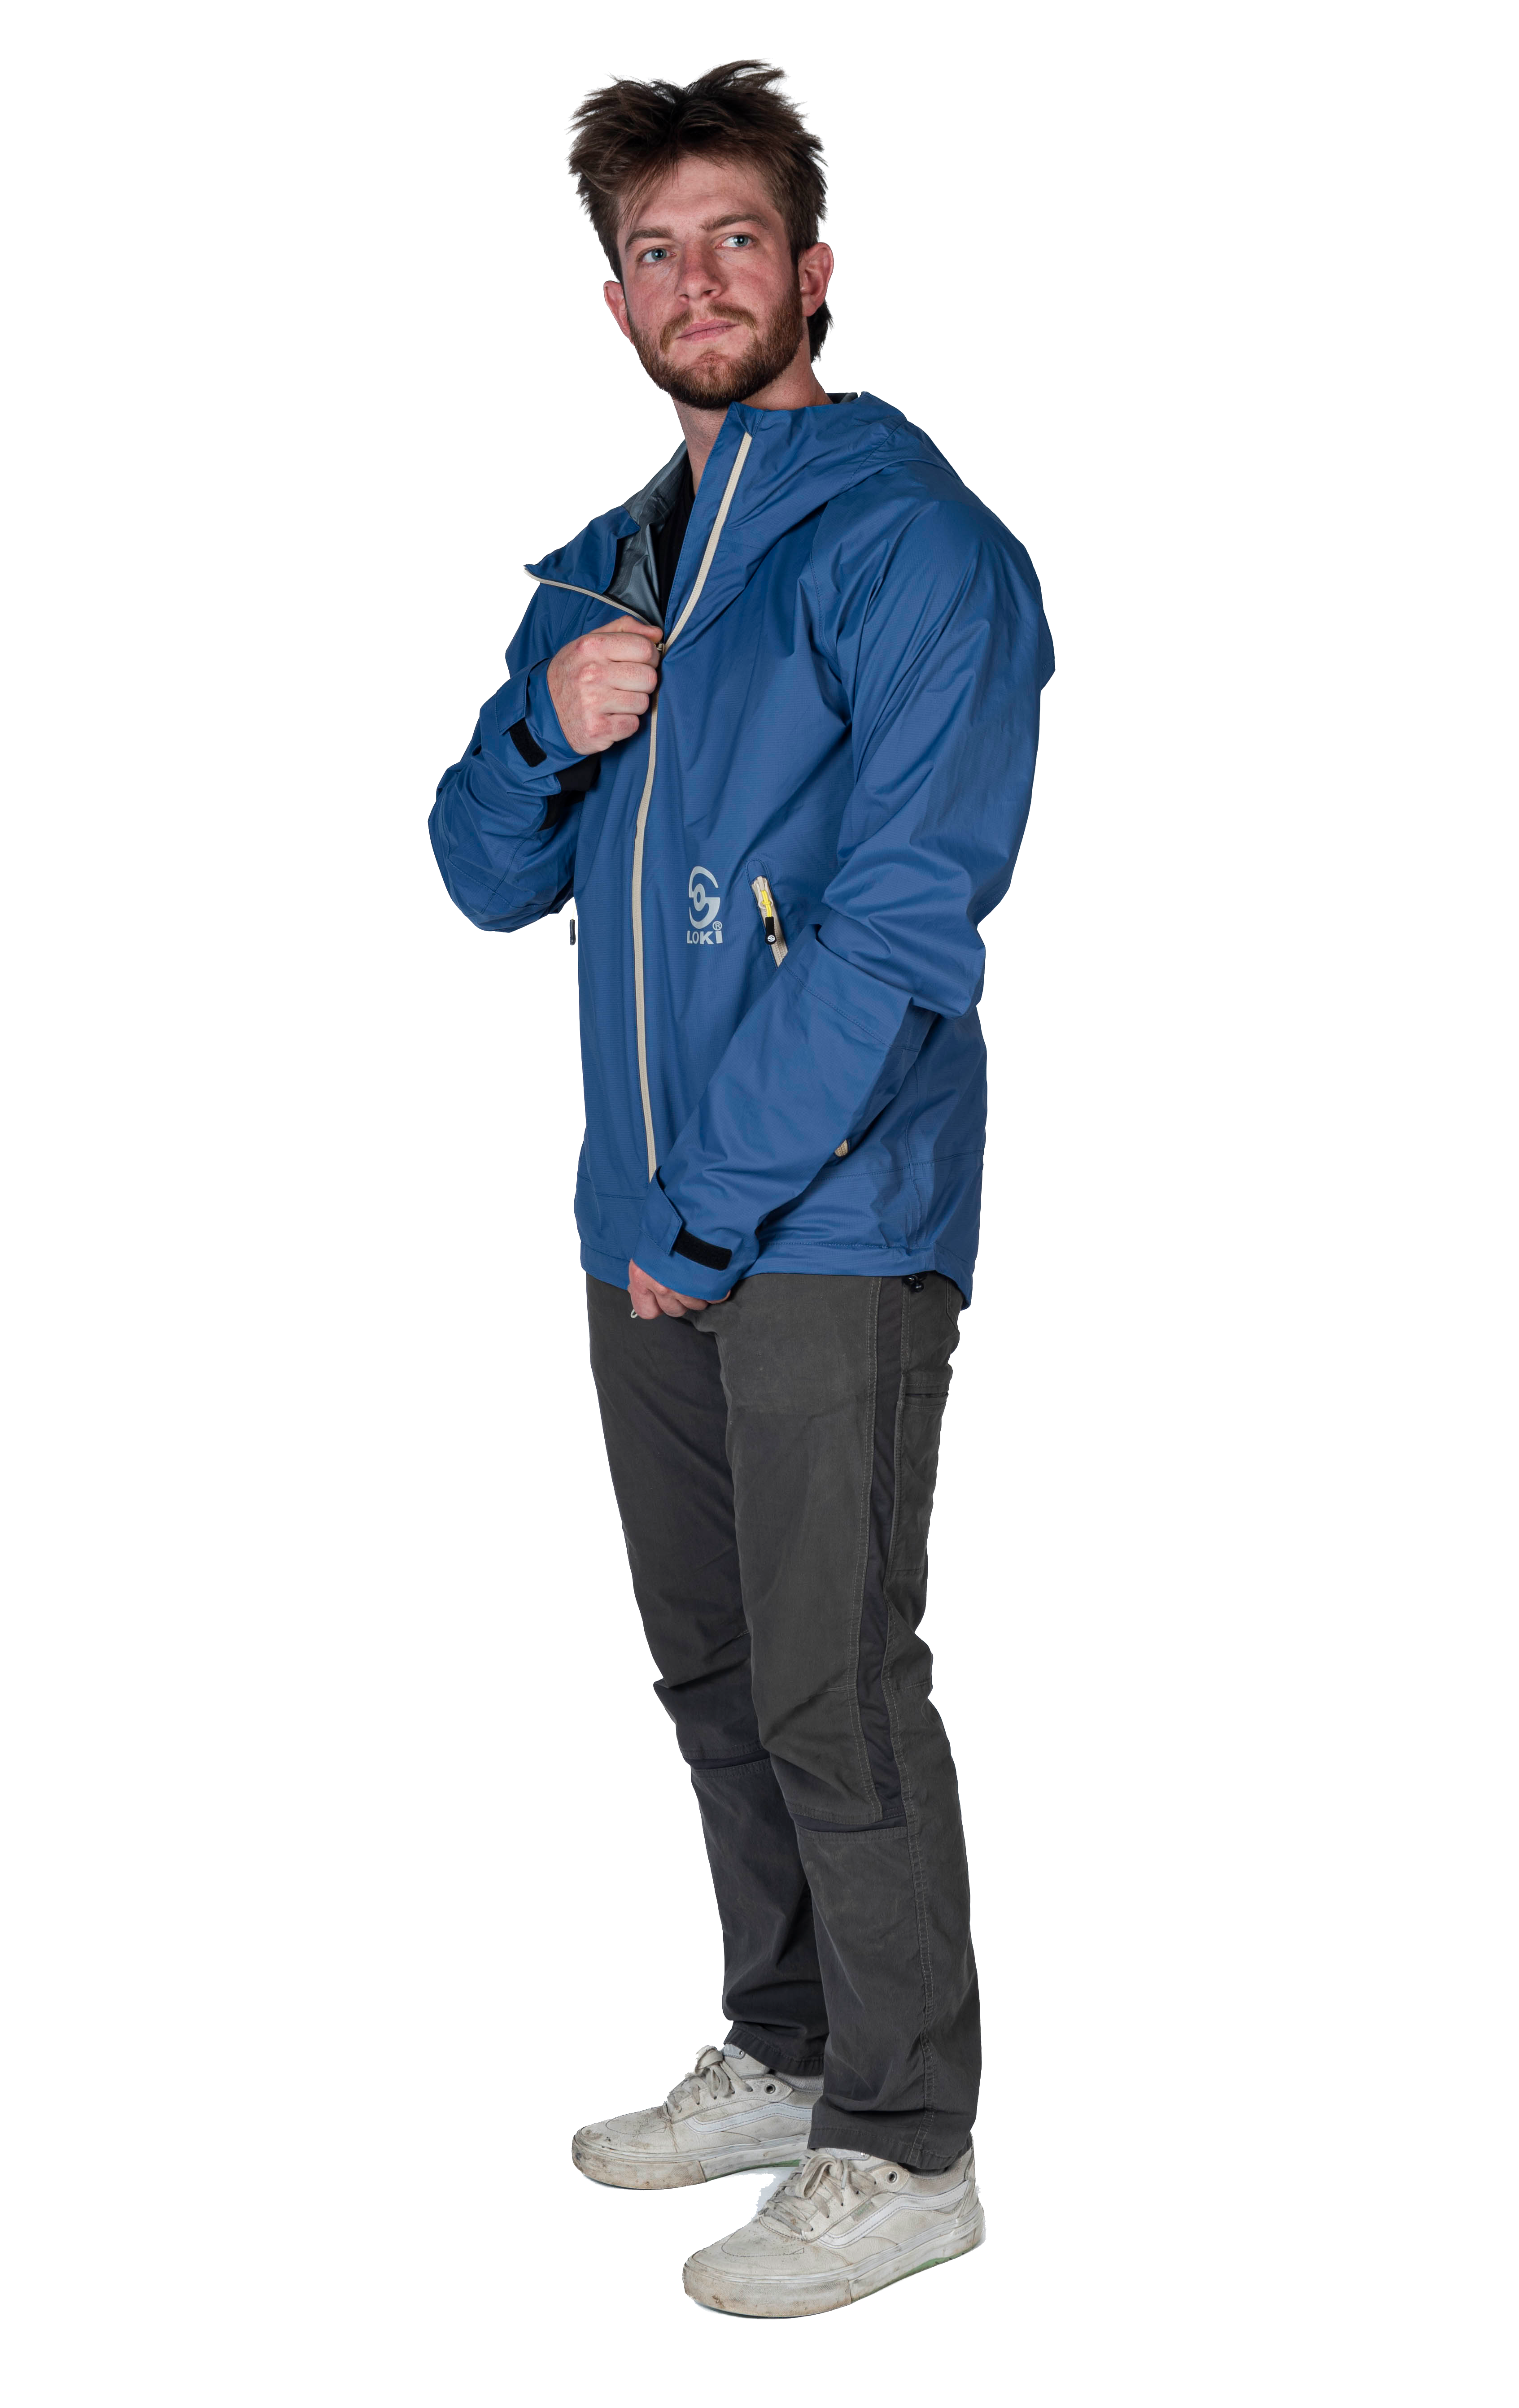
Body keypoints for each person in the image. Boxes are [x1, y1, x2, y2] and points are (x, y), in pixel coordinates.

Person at [429, 58, 1053, 2318]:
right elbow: (479, 869)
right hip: (645, 1219)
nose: (695, 282)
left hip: (827, 1220)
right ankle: (787, 2048)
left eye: (733, 240)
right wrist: (547, 722)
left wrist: (706, 1215)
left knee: (830, 1683)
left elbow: (897, 935)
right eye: (652, 251)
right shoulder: (611, 571)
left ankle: (907, 2141)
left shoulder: (915, 549)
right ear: (614, 299)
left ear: (812, 271)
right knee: (712, 1666)